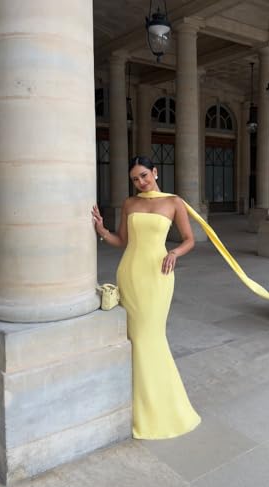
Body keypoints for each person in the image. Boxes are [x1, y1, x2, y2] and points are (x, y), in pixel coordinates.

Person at [92, 155, 201, 440]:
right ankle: (138, 406)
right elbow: (122, 241)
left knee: (149, 337)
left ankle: (162, 409)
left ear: (155, 171)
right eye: (135, 179)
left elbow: (189, 239)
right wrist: (102, 230)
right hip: (130, 273)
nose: (140, 182)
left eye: (143, 175)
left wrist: (174, 252)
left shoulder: (174, 202)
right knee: (136, 338)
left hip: (158, 275)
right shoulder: (130, 203)